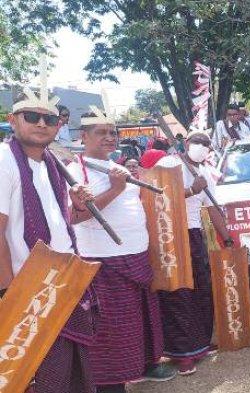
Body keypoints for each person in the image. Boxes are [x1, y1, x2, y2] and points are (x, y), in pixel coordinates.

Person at [68, 109, 175, 393]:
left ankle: (144, 367)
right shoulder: (74, 171)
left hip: (137, 257)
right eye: (100, 132)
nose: (108, 137)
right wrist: (115, 189)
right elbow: (73, 217)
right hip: (104, 262)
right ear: (84, 136)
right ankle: (110, 386)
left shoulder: (120, 167)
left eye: (112, 132)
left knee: (138, 323)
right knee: (112, 332)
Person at [0, 88, 97, 392]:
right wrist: (7, 292)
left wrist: (78, 208)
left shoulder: (51, 164)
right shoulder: (4, 160)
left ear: (58, 125)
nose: (41, 123)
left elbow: (62, 225)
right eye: (32, 116)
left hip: (63, 283)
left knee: (68, 370)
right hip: (29, 291)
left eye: (50, 119)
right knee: (40, 376)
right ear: (12, 120)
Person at [156, 130, 234, 375]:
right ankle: (181, 354)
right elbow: (155, 197)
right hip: (168, 235)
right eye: (198, 141)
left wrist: (228, 239)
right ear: (186, 143)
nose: (202, 146)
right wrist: (190, 190)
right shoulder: (168, 164)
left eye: (207, 144)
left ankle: (199, 345)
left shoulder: (205, 172)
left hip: (193, 235)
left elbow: (213, 210)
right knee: (178, 293)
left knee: (201, 288)